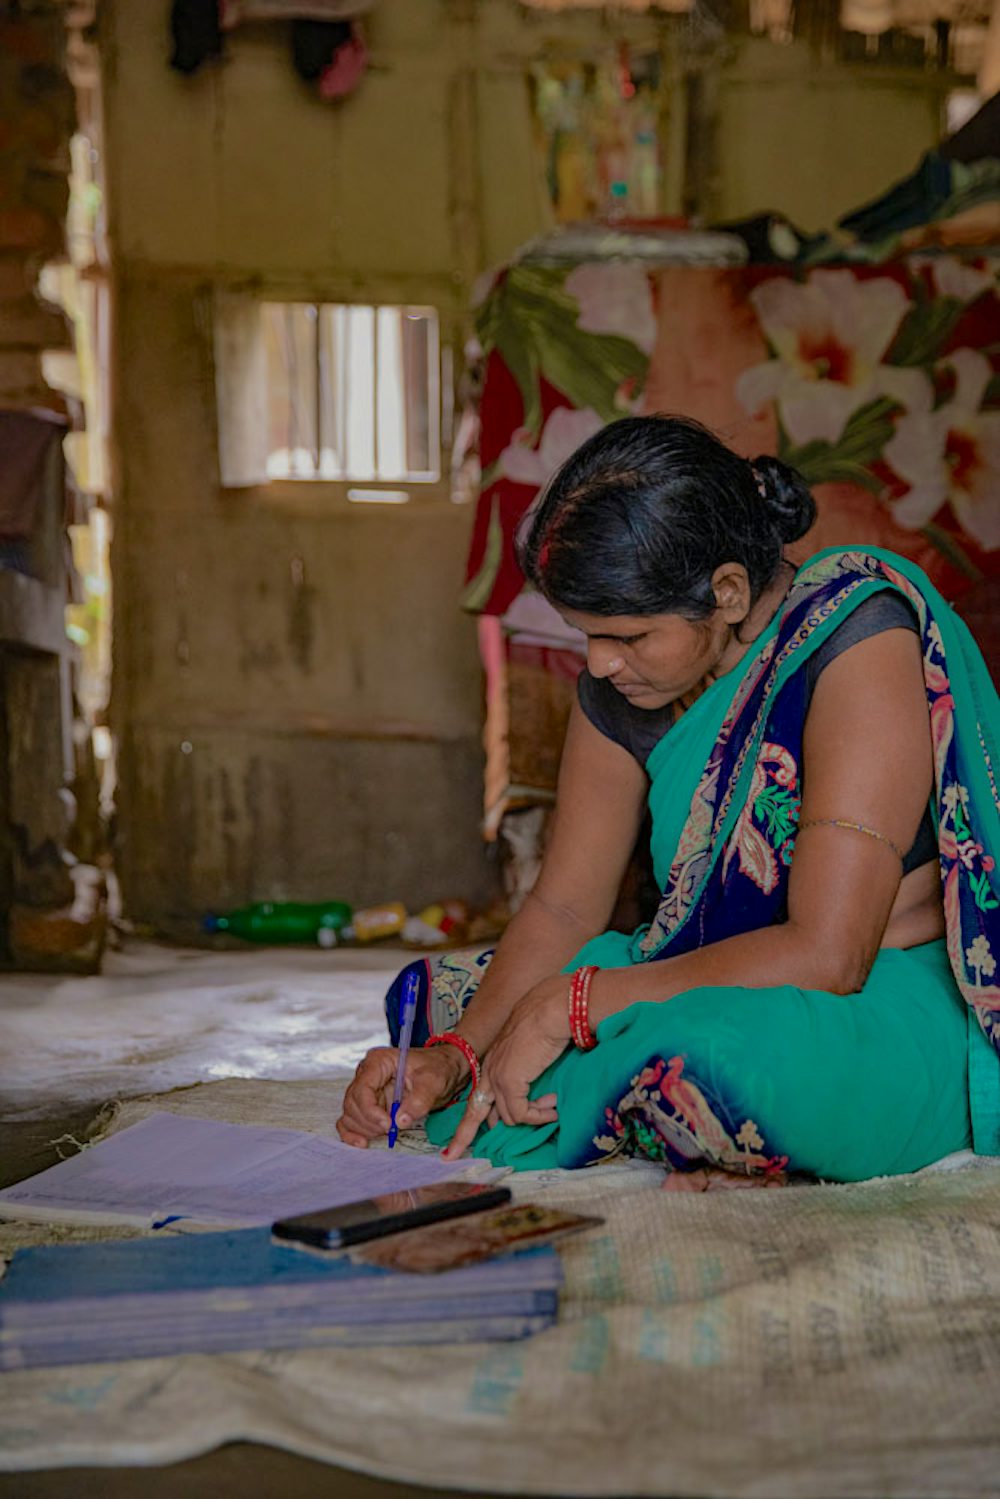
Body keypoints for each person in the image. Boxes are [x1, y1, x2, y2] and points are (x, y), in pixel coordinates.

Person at [337, 415, 1000, 1187]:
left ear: (725, 591)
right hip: (694, 972)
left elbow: (830, 954)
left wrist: (572, 1006)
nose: (600, 662)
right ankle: (584, 1087)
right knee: (444, 1003)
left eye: (628, 635)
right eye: (585, 634)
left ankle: (632, 1086)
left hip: (865, 998)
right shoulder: (624, 688)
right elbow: (563, 910)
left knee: (714, 1061)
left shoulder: (854, 642)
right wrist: (454, 1057)